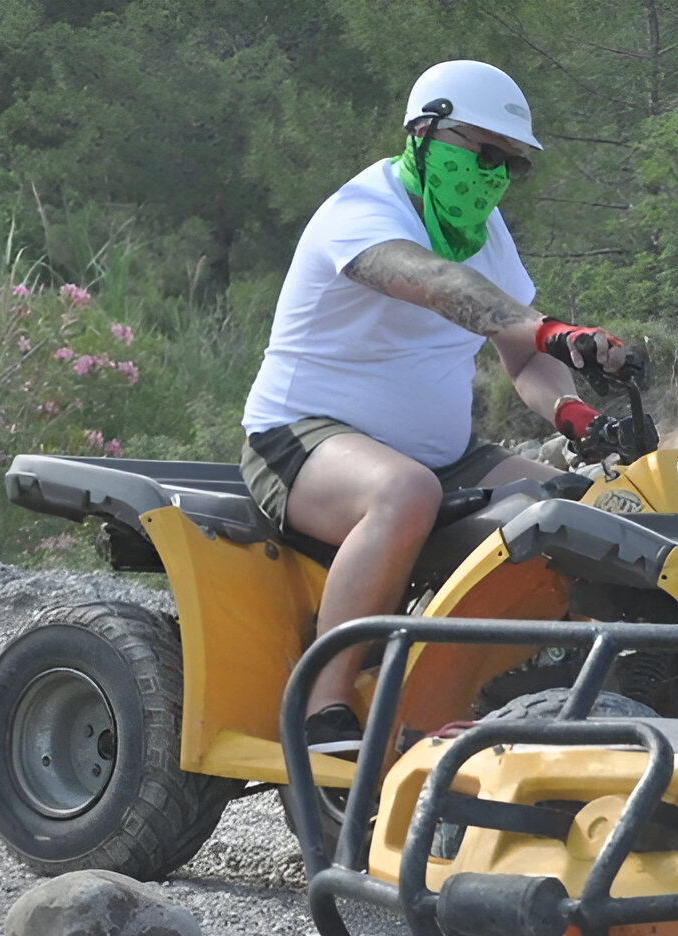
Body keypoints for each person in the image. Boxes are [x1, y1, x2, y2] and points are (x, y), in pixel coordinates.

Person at [240, 59, 640, 754]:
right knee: (402, 492)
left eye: (509, 166)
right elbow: (432, 284)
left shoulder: (484, 233)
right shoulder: (364, 210)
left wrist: (576, 417)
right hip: (300, 441)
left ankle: (572, 685)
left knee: (585, 512)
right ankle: (321, 703)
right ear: (423, 133)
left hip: (446, 455)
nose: (492, 177)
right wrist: (551, 329)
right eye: (483, 153)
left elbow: (521, 352)